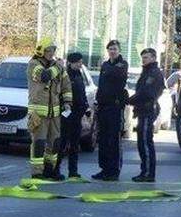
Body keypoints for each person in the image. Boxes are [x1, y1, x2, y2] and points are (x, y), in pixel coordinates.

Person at [26, 37, 71, 180]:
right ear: (42, 51)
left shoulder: (58, 67)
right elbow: (44, 76)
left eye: (53, 50)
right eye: (49, 50)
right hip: (38, 113)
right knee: (39, 143)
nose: (52, 53)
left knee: (55, 143)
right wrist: (58, 66)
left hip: (55, 113)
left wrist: (68, 101)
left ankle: (49, 170)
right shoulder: (33, 64)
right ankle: (37, 172)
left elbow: (66, 85)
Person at [92, 40, 129, 181]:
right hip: (103, 106)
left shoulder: (122, 64)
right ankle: (104, 168)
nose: (112, 51)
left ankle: (114, 170)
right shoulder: (105, 65)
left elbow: (118, 76)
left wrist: (110, 70)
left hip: (115, 106)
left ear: (119, 50)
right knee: (102, 139)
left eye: (115, 49)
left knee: (113, 140)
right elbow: (101, 84)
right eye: (110, 49)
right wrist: (97, 101)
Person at [129, 48, 165, 183]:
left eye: (146, 57)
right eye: (143, 57)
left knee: (145, 142)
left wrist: (130, 100)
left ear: (154, 58)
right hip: (143, 110)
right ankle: (145, 171)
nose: (144, 60)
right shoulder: (147, 71)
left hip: (148, 110)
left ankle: (149, 173)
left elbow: (146, 93)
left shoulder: (154, 73)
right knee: (142, 142)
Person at [55, 52, 89, 179]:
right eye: (78, 62)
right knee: (62, 143)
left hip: (77, 114)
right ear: (71, 62)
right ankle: (56, 169)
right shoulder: (65, 76)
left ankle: (73, 171)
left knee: (75, 144)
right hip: (66, 113)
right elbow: (60, 94)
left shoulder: (79, 75)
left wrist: (86, 107)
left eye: (81, 62)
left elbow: (82, 92)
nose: (80, 64)